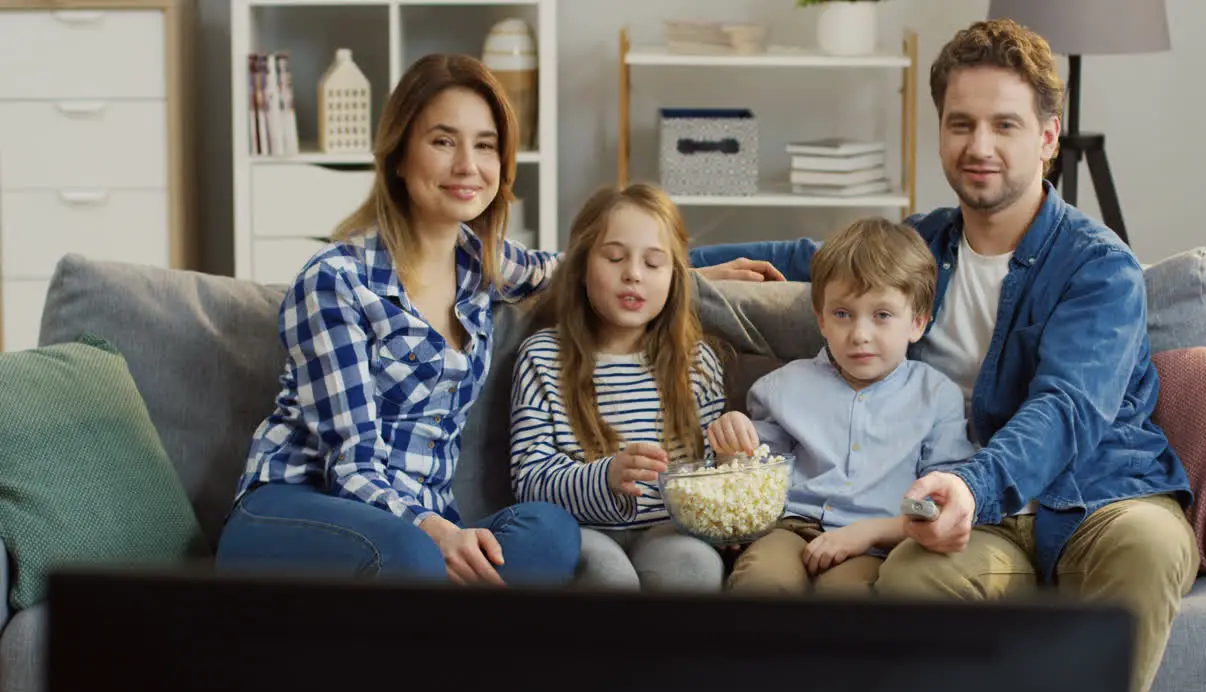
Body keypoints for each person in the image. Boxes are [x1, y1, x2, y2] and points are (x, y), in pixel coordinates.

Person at [698, 19, 1200, 692]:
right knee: (905, 584)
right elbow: (812, 257)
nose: (980, 146)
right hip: (973, 521)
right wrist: (673, 265)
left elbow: (1068, 409)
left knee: (1148, 547)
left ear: (1049, 139)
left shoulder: (1098, 266)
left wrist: (970, 485)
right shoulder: (921, 245)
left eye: (1005, 125)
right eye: (960, 124)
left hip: (1098, 499)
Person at [214, 53, 777, 588]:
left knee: (551, 532)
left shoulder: (482, 263)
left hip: (424, 529)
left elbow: (587, 265)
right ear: (399, 155)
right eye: (442, 141)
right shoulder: (336, 280)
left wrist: (695, 270)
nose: (468, 166)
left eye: (485, 146)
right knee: (410, 552)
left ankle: (436, 610)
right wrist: (437, 533)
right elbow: (351, 466)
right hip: (306, 508)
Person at [706, 217, 975, 595]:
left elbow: (942, 501)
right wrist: (732, 445)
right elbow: (753, 479)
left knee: (847, 597)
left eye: (882, 315)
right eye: (843, 314)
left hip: (877, 540)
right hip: (790, 527)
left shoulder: (936, 396)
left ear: (917, 322)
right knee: (762, 581)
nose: (860, 335)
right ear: (821, 320)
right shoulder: (782, 386)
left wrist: (877, 533)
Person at [510, 183, 727, 591]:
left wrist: (731, 458)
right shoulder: (542, 357)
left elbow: (711, 479)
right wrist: (606, 476)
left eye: (654, 263)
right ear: (580, 267)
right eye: (614, 257)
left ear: (674, 278)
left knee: (696, 564)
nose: (633, 274)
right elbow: (529, 482)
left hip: (667, 530)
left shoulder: (697, 363)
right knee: (608, 577)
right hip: (581, 528)